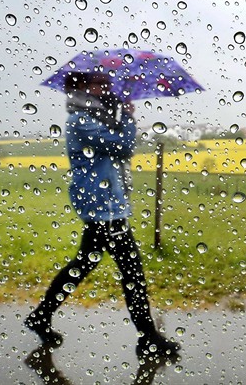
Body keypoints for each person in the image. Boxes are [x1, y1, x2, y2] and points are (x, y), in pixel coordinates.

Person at [24, 71, 180, 359]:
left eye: (108, 83)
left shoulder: (93, 117)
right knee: (132, 272)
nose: (108, 88)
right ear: (83, 87)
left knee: (84, 264)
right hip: (101, 206)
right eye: (102, 84)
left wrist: (120, 113)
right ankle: (148, 338)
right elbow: (122, 147)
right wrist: (129, 117)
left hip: (105, 203)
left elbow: (115, 148)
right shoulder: (81, 121)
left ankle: (41, 316)